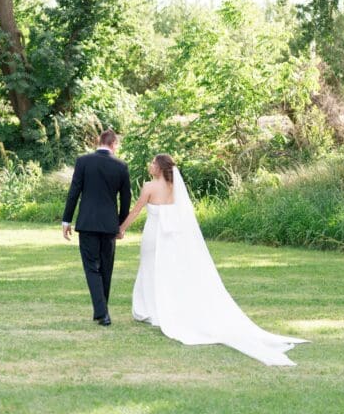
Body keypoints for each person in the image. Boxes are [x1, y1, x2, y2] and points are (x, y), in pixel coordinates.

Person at [120, 153, 308, 366]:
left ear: (160, 168)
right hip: (171, 238)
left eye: (153, 163)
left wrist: (121, 229)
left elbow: (135, 211)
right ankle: (161, 307)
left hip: (154, 235)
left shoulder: (149, 187)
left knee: (149, 269)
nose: (150, 165)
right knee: (166, 271)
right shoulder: (175, 188)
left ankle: (150, 310)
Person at [62, 129, 132, 326]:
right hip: (109, 225)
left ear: (98, 141)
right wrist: (121, 224)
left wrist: (66, 220)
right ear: (114, 144)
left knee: (92, 268)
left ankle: (102, 313)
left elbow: (74, 191)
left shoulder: (83, 162)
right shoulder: (121, 166)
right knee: (106, 269)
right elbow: (126, 198)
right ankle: (103, 312)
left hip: (88, 223)